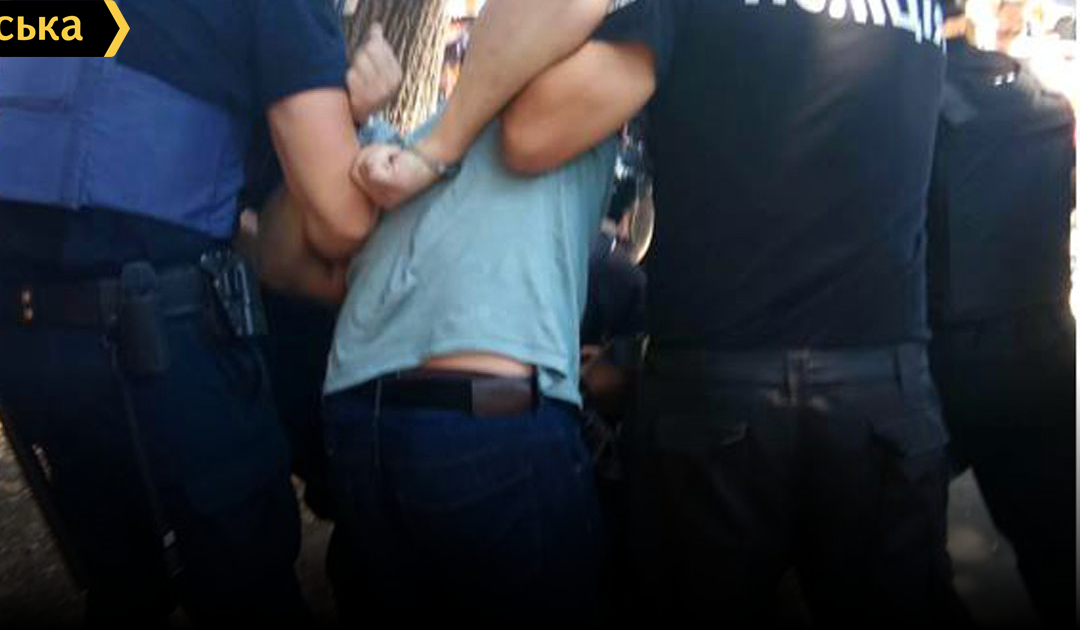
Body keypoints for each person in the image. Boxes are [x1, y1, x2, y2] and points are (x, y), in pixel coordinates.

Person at [358, 0, 963, 624]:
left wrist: (442, 139)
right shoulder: (923, 12)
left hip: (719, 399)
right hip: (885, 390)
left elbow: (532, 135)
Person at [0, 0, 398, 623]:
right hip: (151, 345)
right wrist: (355, 111)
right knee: (249, 593)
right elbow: (340, 222)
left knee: (125, 586)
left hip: (21, 341)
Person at [306, 3, 658, 622]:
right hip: (486, 422)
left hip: (359, 425)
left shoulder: (403, 147)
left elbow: (301, 261)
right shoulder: (443, 140)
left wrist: (364, 125)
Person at [928, 2, 1077, 623]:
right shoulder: (1046, 102)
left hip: (940, 357)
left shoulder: (908, 99)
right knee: (1057, 556)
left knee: (897, 561)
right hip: (1044, 349)